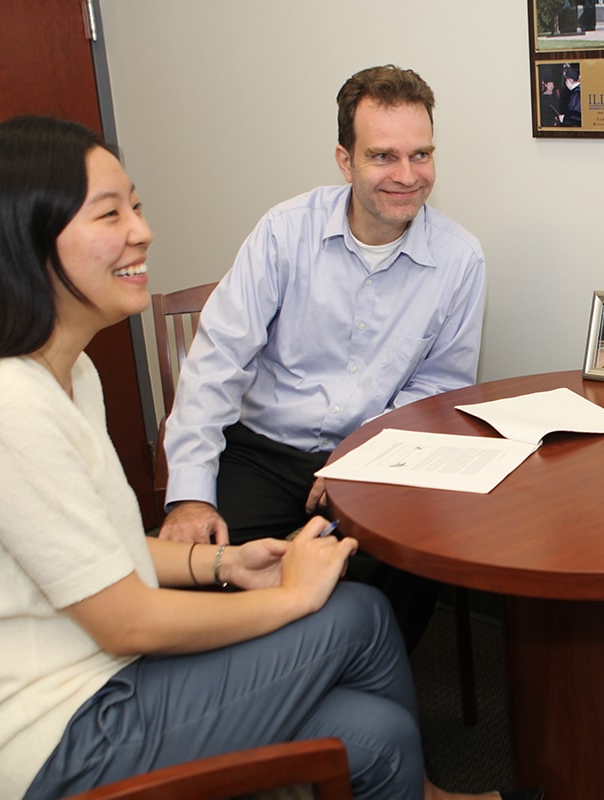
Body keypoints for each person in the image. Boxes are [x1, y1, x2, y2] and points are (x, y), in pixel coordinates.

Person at [0, 117, 532, 800]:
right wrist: (291, 595)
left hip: (105, 672)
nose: (142, 231)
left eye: (136, 205)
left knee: (375, 731)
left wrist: (223, 562)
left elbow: (103, 550)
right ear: (25, 241)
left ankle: (415, 788)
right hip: (53, 738)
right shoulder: (4, 405)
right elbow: (128, 616)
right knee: (356, 614)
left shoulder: (69, 376)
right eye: (110, 213)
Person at [158, 65, 487, 652]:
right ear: (345, 160)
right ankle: (265, 713)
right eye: (384, 156)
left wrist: (357, 464)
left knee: (399, 572)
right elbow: (216, 360)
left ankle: (358, 704)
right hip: (261, 450)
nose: (407, 176)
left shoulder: (460, 260)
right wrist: (189, 493)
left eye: (422, 155)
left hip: (372, 458)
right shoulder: (285, 233)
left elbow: (436, 391)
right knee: (202, 574)